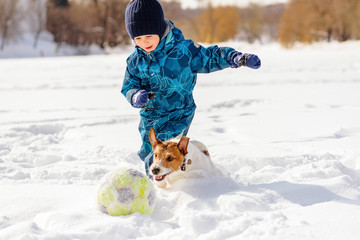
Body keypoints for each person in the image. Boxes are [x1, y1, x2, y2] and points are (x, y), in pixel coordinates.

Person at [121, 0, 261, 175]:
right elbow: (129, 85)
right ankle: (185, 168)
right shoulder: (135, 61)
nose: (144, 42)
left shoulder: (183, 51)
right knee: (148, 152)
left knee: (163, 150)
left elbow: (210, 57)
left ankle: (162, 187)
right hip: (150, 116)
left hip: (178, 112)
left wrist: (234, 57)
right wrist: (135, 96)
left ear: (159, 29)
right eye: (138, 38)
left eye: (149, 36)